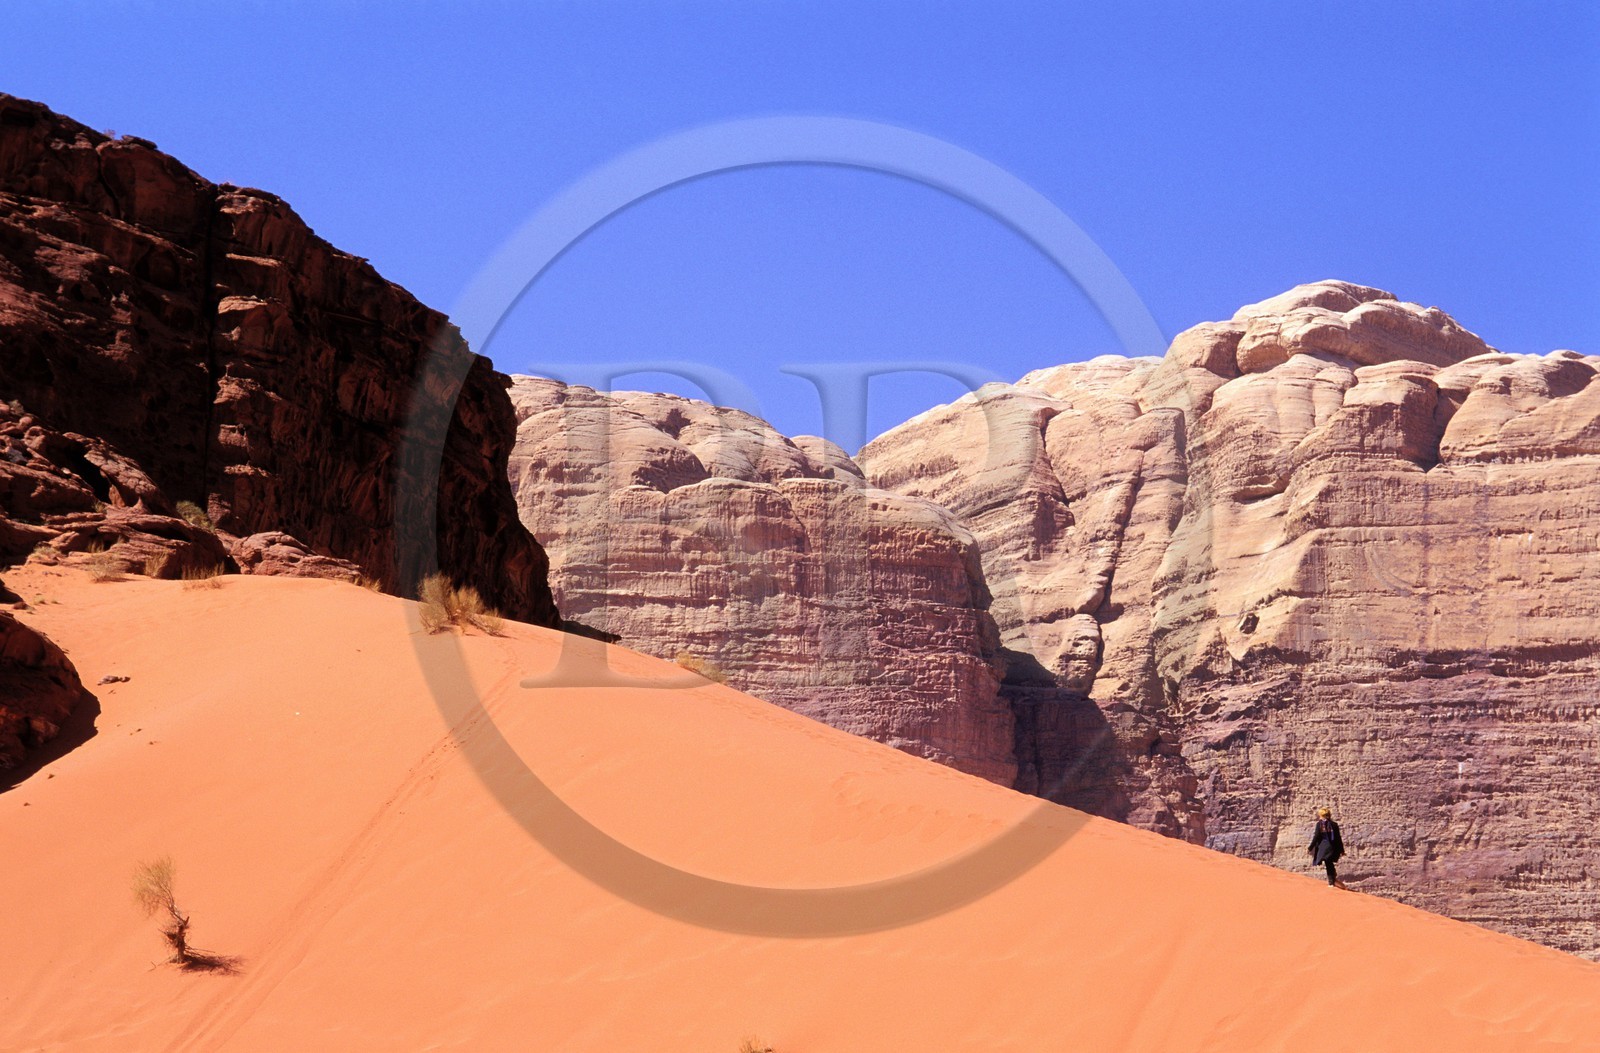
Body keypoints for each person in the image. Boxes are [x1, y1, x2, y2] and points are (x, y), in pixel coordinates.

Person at [1308, 807, 1346, 889]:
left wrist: (1310, 847)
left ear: (1322, 815)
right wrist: (1342, 850)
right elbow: (1338, 838)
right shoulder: (1334, 824)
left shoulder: (1319, 824)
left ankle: (1331, 882)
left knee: (1328, 863)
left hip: (1324, 848)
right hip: (1333, 847)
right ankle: (1333, 877)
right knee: (1329, 863)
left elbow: (1316, 837)